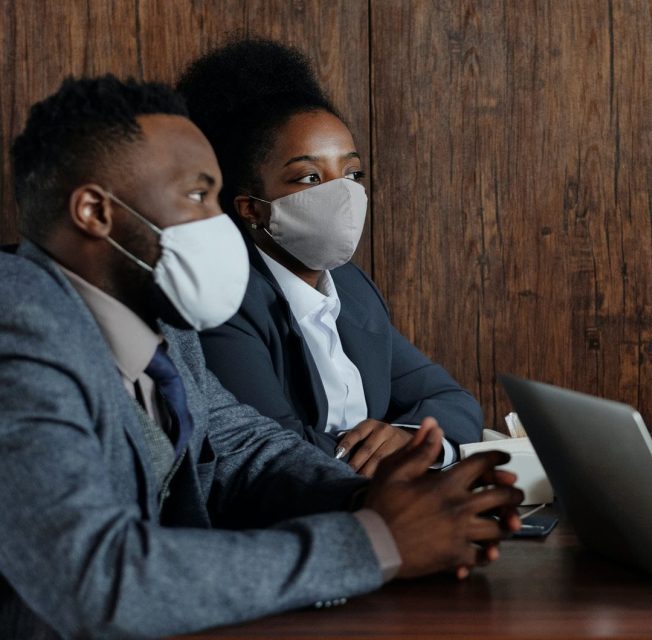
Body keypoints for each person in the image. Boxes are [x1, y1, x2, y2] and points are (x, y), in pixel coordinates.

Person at [0, 75, 522, 639]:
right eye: (198, 196)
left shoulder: (159, 327)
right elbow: (97, 581)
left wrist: (384, 499)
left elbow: (242, 449)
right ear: (95, 212)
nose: (219, 223)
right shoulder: (18, 331)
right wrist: (375, 541)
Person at [174, 39, 481, 478]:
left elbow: (454, 400)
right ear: (251, 208)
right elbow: (273, 448)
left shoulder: (352, 288)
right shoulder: (225, 301)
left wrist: (410, 439)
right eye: (310, 177)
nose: (342, 193)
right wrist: (389, 459)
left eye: (352, 173)